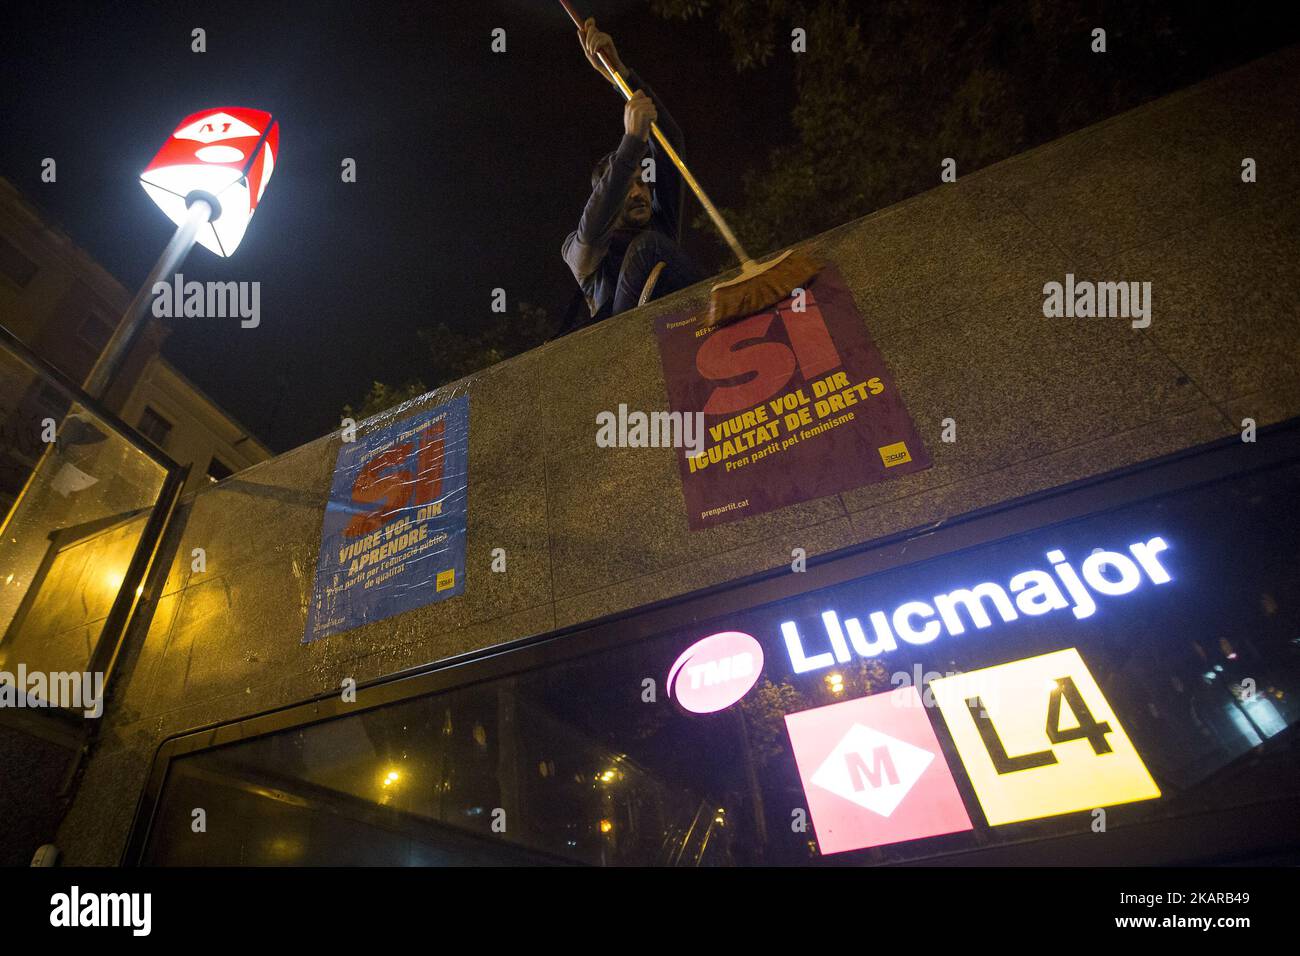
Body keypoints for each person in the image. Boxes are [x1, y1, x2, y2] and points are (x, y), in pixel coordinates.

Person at [560, 18, 702, 332]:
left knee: (654, 243)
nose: (638, 193)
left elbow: (670, 145)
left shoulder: (660, 223)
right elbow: (592, 224)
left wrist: (621, 75)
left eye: (642, 183)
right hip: (623, 342)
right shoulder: (583, 252)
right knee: (647, 248)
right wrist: (631, 143)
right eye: (627, 188)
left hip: (677, 326)